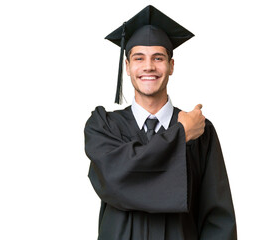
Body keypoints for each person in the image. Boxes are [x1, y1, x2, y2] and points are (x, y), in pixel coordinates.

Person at [84, 5, 237, 240]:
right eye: (138, 58)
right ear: (127, 67)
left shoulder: (201, 131)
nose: (148, 67)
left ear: (171, 66)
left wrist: (185, 130)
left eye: (158, 58)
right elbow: (115, 178)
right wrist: (181, 134)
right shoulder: (104, 127)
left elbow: (216, 217)